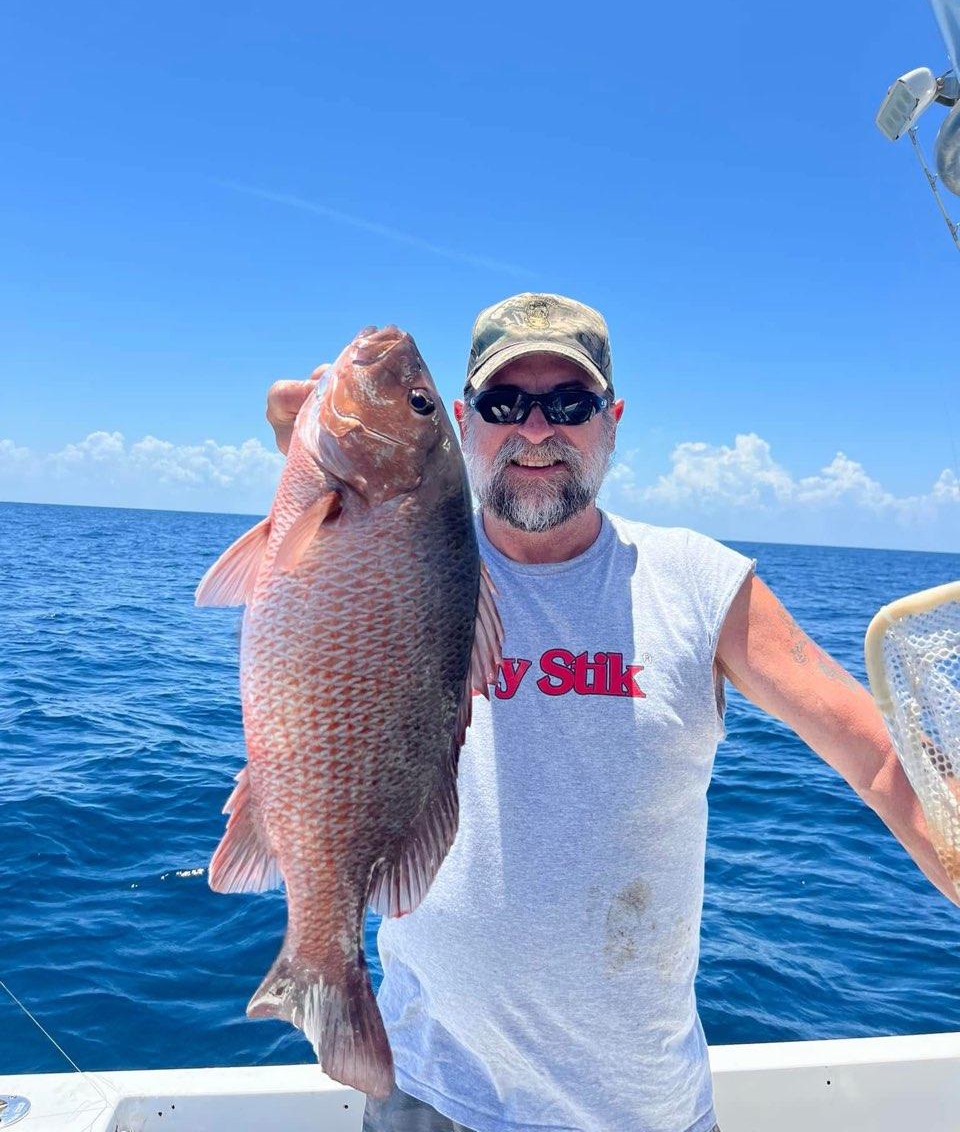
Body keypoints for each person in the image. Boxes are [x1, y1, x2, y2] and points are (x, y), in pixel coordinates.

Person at [265, 293, 958, 1132]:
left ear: (613, 422)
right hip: (430, 1092)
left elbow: (881, 759)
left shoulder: (700, 585)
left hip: (641, 1113)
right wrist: (315, 458)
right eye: (504, 403)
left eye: (570, 405)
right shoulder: (396, 548)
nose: (535, 430)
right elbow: (311, 616)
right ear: (462, 420)